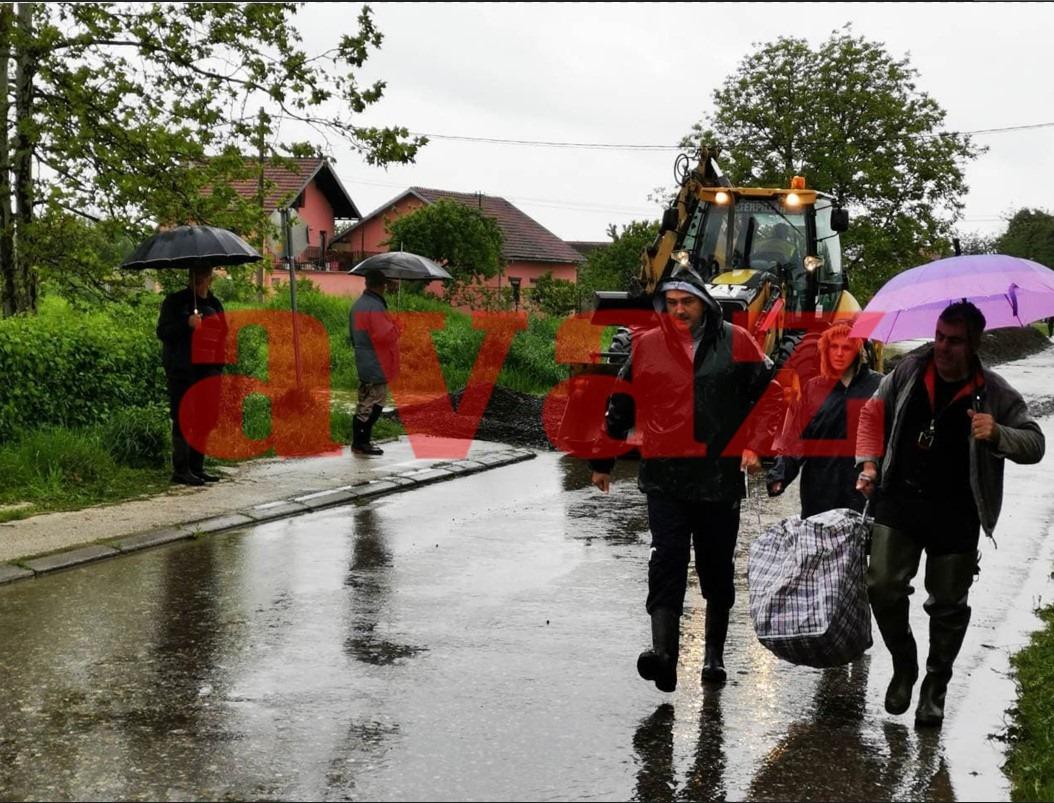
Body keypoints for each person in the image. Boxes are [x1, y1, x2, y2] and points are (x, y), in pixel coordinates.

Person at [588, 267, 781, 692]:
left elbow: (774, 394)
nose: (678, 310)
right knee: (666, 561)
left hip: (717, 479)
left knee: (716, 569)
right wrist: (601, 459)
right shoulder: (648, 346)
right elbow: (622, 402)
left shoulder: (737, 341)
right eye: (671, 303)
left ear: (704, 305)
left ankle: (713, 657)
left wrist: (757, 445)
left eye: (687, 302)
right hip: (665, 480)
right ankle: (664, 656)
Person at [855, 301, 1045, 727]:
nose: (943, 346)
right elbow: (872, 411)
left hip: (957, 511)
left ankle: (935, 686)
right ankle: (905, 665)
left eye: (954, 340)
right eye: (940, 336)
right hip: (900, 499)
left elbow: (1035, 444)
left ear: (975, 342)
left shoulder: (994, 391)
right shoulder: (907, 371)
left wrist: (998, 433)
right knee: (882, 587)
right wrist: (868, 463)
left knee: (948, 606)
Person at [767, 322, 881, 517]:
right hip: (820, 487)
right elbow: (798, 437)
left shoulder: (878, 386)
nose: (839, 353)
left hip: (860, 488)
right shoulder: (814, 388)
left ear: (857, 351)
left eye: (846, 348)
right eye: (833, 347)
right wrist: (781, 475)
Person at [156, 265, 228, 486]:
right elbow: (163, 332)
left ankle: (197, 467)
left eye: (204, 276)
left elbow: (224, 333)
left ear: (210, 278)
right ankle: (181, 469)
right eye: (196, 276)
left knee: (205, 419)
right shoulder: (175, 302)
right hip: (183, 369)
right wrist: (187, 324)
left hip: (209, 369)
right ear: (190, 277)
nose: (200, 280)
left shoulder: (215, 304)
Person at [349, 269, 400, 456]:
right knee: (375, 403)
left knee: (365, 400)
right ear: (381, 285)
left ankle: (361, 441)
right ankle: (361, 442)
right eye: (385, 284)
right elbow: (383, 335)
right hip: (377, 362)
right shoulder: (375, 307)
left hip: (364, 359)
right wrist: (397, 327)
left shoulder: (358, 305)